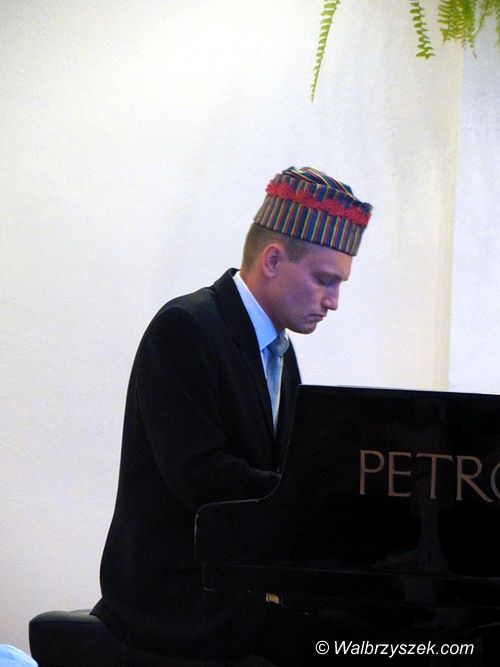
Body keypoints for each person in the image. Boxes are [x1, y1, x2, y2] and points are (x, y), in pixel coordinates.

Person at [92, 166, 373, 664]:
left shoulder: (280, 350)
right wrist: (319, 502)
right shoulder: (185, 327)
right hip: (176, 595)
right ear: (273, 259)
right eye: (325, 280)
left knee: (368, 628)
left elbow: (277, 470)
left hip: (234, 581)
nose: (333, 302)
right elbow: (201, 476)